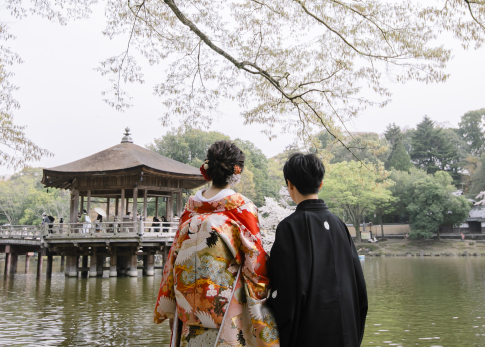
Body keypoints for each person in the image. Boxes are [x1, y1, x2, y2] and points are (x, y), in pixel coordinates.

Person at [154, 140, 278, 347]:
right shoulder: (241, 209)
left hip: (187, 309)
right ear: (236, 171)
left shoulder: (190, 209)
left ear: (208, 169)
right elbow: (255, 265)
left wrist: (171, 304)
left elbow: (172, 259)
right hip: (227, 309)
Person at [267, 153, 368, 347]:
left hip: (310, 334)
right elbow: (359, 286)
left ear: (289, 185)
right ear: (321, 184)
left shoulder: (289, 227)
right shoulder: (340, 225)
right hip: (347, 333)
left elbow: (284, 290)